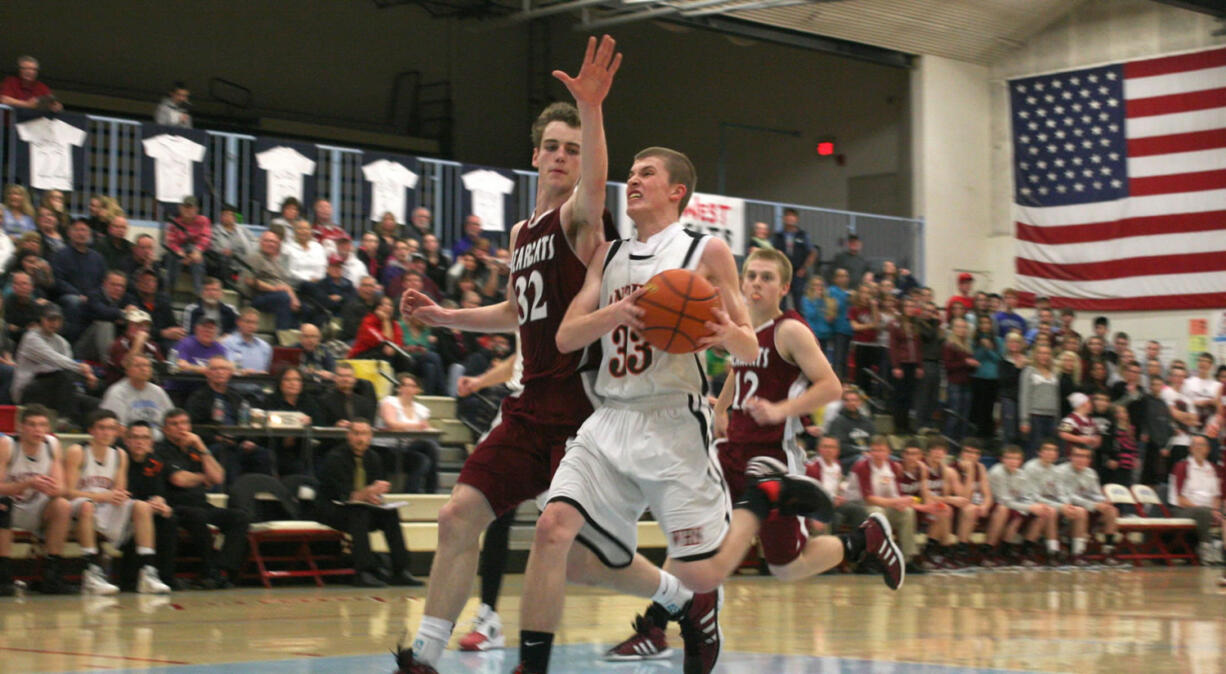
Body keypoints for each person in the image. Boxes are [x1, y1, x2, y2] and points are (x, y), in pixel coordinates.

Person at [516, 144, 836, 674]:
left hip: (673, 420)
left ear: (676, 191)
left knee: (704, 574)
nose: (633, 180)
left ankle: (757, 510)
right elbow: (567, 336)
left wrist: (722, 333)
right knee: (554, 533)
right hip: (611, 416)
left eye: (647, 173)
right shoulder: (608, 254)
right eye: (631, 173)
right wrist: (617, 311)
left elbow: (749, 348)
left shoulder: (706, 251)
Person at [396, 38, 624, 673]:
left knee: (578, 551)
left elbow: (599, 180)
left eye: (572, 149)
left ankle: (670, 599)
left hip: (582, 415)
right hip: (528, 409)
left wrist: (592, 109)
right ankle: (424, 657)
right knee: (456, 517)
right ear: (534, 155)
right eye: (552, 146)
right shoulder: (522, 234)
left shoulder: (581, 218)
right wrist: (444, 316)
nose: (560, 156)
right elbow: (513, 314)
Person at [608, 249, 897, 661]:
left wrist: (781, 410)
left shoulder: (790, 331)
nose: (757, 283)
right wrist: (723, 407)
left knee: (785, 567)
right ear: (741, 282)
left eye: (766, 277)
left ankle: (863, 540)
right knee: (691, 535)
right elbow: (739, 371)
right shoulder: (739, 324)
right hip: (729, 453)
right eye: (751, 276)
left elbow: (831, 386)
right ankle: (655, 627)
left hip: (772, 460)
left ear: (783, 287)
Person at [64, 410, 170, 594]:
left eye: (111, 428)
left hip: (105, 506)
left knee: (142, 506)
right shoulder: (78, 451)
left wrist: (125, 497)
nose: (106, 433)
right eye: (102, 428)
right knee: (87, 506)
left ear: (117, 431)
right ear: (91, 430)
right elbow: (69, 493)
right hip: (79, 506)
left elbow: (119, 492)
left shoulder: (120, 454)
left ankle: (147, 572)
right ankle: (91, 572)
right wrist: (102, 497)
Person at [318, 419, 422, 587]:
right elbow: (346, 497)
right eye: (356, 433)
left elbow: (371, 493)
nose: (361, 439)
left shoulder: (373, 458)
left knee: (390, 514)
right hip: (333, 510)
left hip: (361, 508)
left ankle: (400, 570)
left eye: (365, 434)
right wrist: (369, 492)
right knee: (358, 513)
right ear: (349, 436)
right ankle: (364, 572)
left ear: (371, 436)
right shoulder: (335, 458)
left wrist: (376, 497)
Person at [156, 408, 249, 589]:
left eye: (183, 423)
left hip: (201, 503)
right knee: (197, 515)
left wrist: (202, 447)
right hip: (175, 505)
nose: (180, 428)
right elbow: (178, 479)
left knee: (239, 517)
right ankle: (208, 570)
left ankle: (223, 569)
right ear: (165, 429)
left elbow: (218, 477)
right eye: (174, 424)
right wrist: (202, 478)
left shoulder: (195, 448)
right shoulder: (160, 450)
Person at [0, 406, 74, 595]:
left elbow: (63, 489)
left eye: (42, 425)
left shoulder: (52, 444)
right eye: (32, 425)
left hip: (37, 508)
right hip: (10, 507)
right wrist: (28, 483)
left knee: (62, 505)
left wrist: (53, 488)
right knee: (2, 504)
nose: (37, 430)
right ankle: (4, 575)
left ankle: (51, 572)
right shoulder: (7, 445)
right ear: (20, 427)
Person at [185, 356, 272, 482]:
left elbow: (247, 421)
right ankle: (234, 496)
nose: (220, 372)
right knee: (227, 453)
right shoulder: (198, 398)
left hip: (238, 442)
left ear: (230, 373)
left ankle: (263, 495)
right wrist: (216, 437)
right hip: (213, 443)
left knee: (264, 455)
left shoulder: (237, 397)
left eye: (224, 369)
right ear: (208, 373)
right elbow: (193, 427)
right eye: (215, 369)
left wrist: (249, 440)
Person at [12, 304, 99, 428]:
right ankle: (64, 420)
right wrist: (82, 369)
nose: (54, 323)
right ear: (42, 319)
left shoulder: (62, 342)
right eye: (50, 319)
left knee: (93, 403)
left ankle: (84, 435)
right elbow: (54, 358)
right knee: (63, 376)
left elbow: (67, 367)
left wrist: (86, 375)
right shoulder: (31, 338)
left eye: (57, 320)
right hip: (28, 389)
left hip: (56, 391)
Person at [122, 422, 180, 589]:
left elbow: (158, 491)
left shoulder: (156, 462)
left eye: (145, 438)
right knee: (142, 518)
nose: (140, 442)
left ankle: (164, 577)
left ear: (152, 442)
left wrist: (160, 503)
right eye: (135, 437)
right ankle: (131, 577)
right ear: (127, 440)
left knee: (169, 519)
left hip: (145, 509)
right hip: (123, 509)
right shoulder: (120, 459)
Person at [849, 436, 921, 572]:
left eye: (881, 450)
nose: (877, 454)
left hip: (883, 505)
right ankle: (878, 558)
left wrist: (900, 503)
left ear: (889, 452)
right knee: (878, 512)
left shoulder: (893, 467)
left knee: (907, 512)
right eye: (874, 450)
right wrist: (895, 502)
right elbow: (869, 498)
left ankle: (908, 558)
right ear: (869, 452)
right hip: (858, 506)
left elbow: (895, 494)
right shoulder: (862, 467)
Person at [983, 445, 1057, 567]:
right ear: (1002, 459)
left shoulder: (1022, 474)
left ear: (1021, 461)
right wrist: (1029, 507)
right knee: (1008, 512)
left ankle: (1026, 551)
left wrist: (1037, 506)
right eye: (1009, 458)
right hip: (996, 506)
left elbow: (1027, 496)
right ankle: (990, 551)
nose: (1013, 462)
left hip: (1016, 505)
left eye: (1016, 459)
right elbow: (1004, 501)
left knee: (1043, 512)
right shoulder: (997, 472)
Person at [375, 373, 442, 495]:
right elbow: (392, 424)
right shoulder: (389, 402)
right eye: (405, 385)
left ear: (417, 390)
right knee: (422, 460)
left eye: (412, 386)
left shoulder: (420, 409)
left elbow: (426, 428)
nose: (408, 388)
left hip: (406, 446)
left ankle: (431, 492)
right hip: (387, 449)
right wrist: (416, 427)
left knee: (430, 447)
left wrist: (425, 429)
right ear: (399, 388)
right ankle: (411, 493)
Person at [1057, 445, 1122, 565]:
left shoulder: (1091, 473)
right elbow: (1068, 496)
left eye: (1085, 457)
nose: (1081, 459)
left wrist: (1104, 500)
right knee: (1081, 511)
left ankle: (1108, 552)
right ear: (1071, 457)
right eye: (1078, 456)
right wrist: (1093, 505)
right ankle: (1077, 554)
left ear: (1089, 460)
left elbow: (1096, 494)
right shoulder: (1061, 471)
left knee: (1112, 511)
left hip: (1085, 508)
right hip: (1065, 510)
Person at [1024, 439, 1082, 564]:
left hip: (1050, 502)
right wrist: (1060, 507)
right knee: (1051, 511)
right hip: (1029, 502)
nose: (1051, 453)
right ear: (1039, 452)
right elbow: (1034, 496)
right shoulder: (1030, 467)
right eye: (1048, 450)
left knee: (1080, 511)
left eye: (1054, 450)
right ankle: (1052, 552)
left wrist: (1067, 505)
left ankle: (1077, 553)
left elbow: (1061, 492)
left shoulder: (1055, 470)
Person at [1168, 434, 1224, 564]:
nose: (1199, 448)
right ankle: (1206, 549)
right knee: (1203, 511)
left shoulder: (1212, 469)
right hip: (1182, 510)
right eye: (1196, 445)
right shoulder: (1181, 467)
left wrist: (1215, 510)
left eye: (1202, 445)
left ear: (1208, 449)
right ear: (1190, 449)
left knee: (1219, 514)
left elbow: (1216, 495)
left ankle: (1221, 550)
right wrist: (1208, 510)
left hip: (1208, 510)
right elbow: (1180, 499)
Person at [261, 367, 323, 476]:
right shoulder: (270, 401)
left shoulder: (309, 402)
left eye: (296, 380)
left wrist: (311, 422)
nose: (292, 383)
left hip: (302, 449)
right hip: (275, 448)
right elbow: (262, 426)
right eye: (287, 380)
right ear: (280, 383)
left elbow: (320, 425)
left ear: (301, 384)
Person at [52, 219, 108, 335]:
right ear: (69, 233)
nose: (81, 233)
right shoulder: (61, 255)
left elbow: (103, 282)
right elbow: (58, 280)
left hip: (93, 297)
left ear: (89, 234)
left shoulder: (97, 258)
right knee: (74, 302)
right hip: (68, 297)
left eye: (84, 230)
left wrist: (92, 296)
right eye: (77, 230)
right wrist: (78, 295)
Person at [804, 436, 868, 532]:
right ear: (819, 449)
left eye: (832, 447)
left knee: (859, 511)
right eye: (825, 447)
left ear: (837, 450)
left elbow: (837, 487)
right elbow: (808, 495)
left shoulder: (837, 465)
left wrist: (839, 496)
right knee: (836, 519)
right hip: (819, 506)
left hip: (834, 503)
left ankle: (857, 543)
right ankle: (834, 545)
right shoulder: (811, 467)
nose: (828, 450)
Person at [241, 231, 300, 331]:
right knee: (283, 298)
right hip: (258, 297)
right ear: (261, 242)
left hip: (277, 296)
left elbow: (286, 284)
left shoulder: (277, 262)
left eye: (274, 242)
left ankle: (299, 338)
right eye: (267, 241)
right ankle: (282, 334)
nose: (271, 244)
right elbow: (249, 280)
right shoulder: (255, 257)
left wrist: (294, 298)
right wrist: (274, 289)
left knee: (305, 307)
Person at [100, 355, 175, 433]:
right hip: (133, 439)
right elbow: (118, 427)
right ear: (127, 370)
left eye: (147, 366)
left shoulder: (158, 391)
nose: (143, 369)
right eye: (138, 366)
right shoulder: (117, 392)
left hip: (160, 437)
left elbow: (172, 418)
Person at [77, 269, 134, 362]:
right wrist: (123, 314)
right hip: (87, 348)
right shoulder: (94, 296)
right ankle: (110, 365)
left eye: (122, 286)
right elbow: (102, 313)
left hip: (115, 344)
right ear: (105, 283)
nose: (118, 289)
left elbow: (135, 315)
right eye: (114, 285)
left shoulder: (127, 298)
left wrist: (123, 317)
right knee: (105, 324)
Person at [952, 438, 994, 565]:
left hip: (975, 505)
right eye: (968, 452)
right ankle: (961, 550)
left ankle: (988, 550)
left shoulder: (980, 467)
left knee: (1001, 509)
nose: (971, 456)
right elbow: (964, 497)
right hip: (957, 508)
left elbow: (987, 494)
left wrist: (985, 506)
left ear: (979, 456)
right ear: (961, 453)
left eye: (975, 453)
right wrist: (970, 472)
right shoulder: (952, 468)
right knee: (970, 508)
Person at [768, 209, 818, 310]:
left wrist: (804, 268)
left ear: (796, 219)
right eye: (788, 216)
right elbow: (770, 251)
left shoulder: (802, 235)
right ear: (784, 218)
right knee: (781, 302)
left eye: (793, 216)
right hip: (782, 272)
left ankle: (799, 323)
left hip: (798, 272)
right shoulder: (777, 236)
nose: (790, 219)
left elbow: (812, 252)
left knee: (799, 302)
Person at [164, 196, 212, 297]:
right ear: (180, 208)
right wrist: (179, 252)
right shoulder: (174, 223)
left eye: (191, 207)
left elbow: (206, 238)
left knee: (197, 258)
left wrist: (198, 250)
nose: (188, 210)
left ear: (197, 209)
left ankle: (199, 294)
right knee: (172, 256)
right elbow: (171, 241)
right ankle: (169, 291)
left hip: (198, 251)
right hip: (180, 252)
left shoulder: (204, 221)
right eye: (185, 207)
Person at [887, 297, 923, 434]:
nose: (910, 309)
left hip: (913, 364)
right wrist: (896, 366)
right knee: (899, 396)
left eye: (912, 306)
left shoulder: (916, 325)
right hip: (901, 363)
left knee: (909, 396)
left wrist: (920, 366)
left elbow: (919, 348)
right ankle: (898, 425)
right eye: (907, 306)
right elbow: (893, 346)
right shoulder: (895, 324)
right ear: (902, 308)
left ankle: (906, 424)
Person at [1019, 344, 1060, 457]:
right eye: (1041, 353)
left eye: (1047, 353)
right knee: (1035, 449)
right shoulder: (1029, 371)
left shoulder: (1054, 373)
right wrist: (1024, 420)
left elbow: (1056, 398)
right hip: (1035, 416)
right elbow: (1024, 395)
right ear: (1036, 355)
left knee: (1050, 450)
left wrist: (1057, 420)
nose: (1044, 356)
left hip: (1051, 417)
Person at [942, 317, 977, 442]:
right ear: (953, 329)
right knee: (954, 416)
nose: (962, 329)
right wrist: (965, 362)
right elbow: (948, 366)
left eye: (964, 327)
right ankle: (949, 443)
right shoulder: (949, 345)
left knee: (964, 417)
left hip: (967, 384)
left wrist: (973, 365)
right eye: (958, 326)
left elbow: (969, 368)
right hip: (955, 384)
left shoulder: (967, 346)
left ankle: (960, 443)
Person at [827, 387, 875, 470]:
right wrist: (861, 452)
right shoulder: (838, 422)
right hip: (847, 459)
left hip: (869, 455)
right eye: (847, 400)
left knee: (895, 460)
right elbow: (839, 446)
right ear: (844, 403)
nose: (851, 403)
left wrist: (872, 452)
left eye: (854, 400)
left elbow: (875, 440)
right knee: (864, 460)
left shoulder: (867, 421)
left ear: (860, 402)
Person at [969, 314, 1001, 438]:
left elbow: (998, 359)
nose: (985, 326)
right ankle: (976, 435)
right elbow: (975, 359)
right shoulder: (974, 341)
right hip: (978, 378)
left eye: (987, 323)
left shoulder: (997, 340)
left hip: (992, 379)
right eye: (982, 323)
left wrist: (988, 348)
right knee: (977, 408)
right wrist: (982, 347)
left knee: (989, 409)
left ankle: (988, 435)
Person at [318, 362, 377, 428]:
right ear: (335, 378)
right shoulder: (324, 401)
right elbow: (320, 425)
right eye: (341, 376)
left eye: (349, 376)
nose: (345, 379)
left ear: (354, 379)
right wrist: (335, 426)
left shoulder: (364, 403)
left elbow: (370, 425)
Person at [221, 308, 272, 378]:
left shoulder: (265, 347)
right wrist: (240, 373)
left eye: (255, 323)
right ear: (238, 322)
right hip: (233, 385)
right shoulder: (226, 343)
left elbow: (266, 371)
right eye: (248, 322)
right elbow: (222, 370)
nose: (251, 326)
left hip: (258, 386)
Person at [210, 204, 253, 280]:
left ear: (234, 217)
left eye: (230, 215)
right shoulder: (215, 230)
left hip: (243, 262)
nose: (227, 217)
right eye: (224, 215)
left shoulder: (243, 230)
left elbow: (253, 243)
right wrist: (222, 251)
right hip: (225, 263)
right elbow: (212, 246)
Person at [283, 220, 328, 289]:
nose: (304, 231)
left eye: (306, 229)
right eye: (300, 228)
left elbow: (323, 266)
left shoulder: (318, 247)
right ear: (295, 231)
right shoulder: (288, 248)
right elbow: (289, 272)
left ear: (310, 232)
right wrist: (308, 279)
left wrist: (318, 279)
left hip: (319, 283)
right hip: (298, 286)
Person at [1058, 392, 1100, 458]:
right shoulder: (1069, 419)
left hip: (1088, 456)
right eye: (1089, 402)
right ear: (1082, 404)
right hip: (1074, 456)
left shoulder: (1091, 420)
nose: (1091, 404)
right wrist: (1081, 439)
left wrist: (1096, 440)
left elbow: (1097, 434)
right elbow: (1063, 434)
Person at [341, 276, 382, 341]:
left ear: (375, 289)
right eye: (365, 285)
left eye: (371, 286)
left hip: (375, 338)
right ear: (359, 288)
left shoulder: (379, 304)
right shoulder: (350, 305)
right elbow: (352, 330)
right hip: (354, 339)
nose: (368, 289)